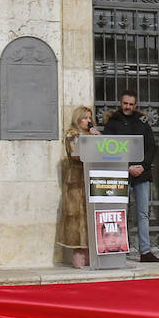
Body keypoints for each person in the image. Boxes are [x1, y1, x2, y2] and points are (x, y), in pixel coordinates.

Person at [102, 89, 159, 262]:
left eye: (131, 104)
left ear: (135, 105)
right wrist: (127, 167)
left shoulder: (142, 122)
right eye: (125, 103)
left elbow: (151, 147)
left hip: (142, 174)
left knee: (143, 213)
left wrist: (142, 166)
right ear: (120, 103)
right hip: (122, 174)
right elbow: (108, 148)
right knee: (120, 213)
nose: (127, 107)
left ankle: (145, 252)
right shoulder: (112, 123)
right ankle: (121, 248)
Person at [57, 105, 98, 267]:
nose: (88, 121)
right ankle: (79, 260)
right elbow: (76, 154)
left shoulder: (92, 134)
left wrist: (96, 137)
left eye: (90, 118)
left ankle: (90, 257)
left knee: (88, 218)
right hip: (76, 181)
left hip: (91, 178)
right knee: (78, 218)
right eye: (85, 118)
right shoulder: (72, 135)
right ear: (78, 119)